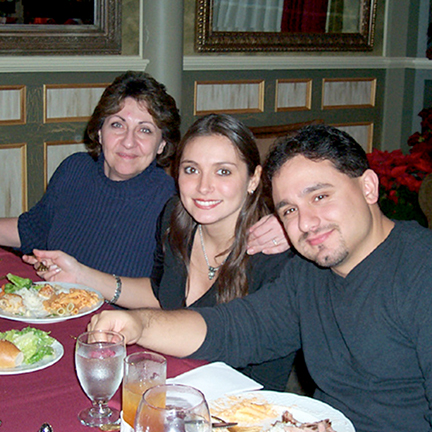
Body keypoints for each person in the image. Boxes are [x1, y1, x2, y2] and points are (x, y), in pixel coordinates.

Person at [88, 124, 432, 432]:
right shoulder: (308, 275)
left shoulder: (420, 272)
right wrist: (138, 324)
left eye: (321, 196)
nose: (307, 223)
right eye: (289, 210)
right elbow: (236, 328)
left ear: (368, 187)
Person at [30, 113, 293, 390]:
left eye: (223, 171)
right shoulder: (176, 219)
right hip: (167, 384)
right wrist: (81, 275)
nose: (204, 186)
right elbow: (160, 294)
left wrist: (142, 324)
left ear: (254, 179)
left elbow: (264, 377)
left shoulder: (275, 254)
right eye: (191, 169)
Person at [0, 71, 180, 278]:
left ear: (162, 144)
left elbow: (170, 296)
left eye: (145, 130)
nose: (128, 141)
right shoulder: (75, 169)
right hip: (59, 304)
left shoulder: (172, 202)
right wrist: (48, 270)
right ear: (100, 132)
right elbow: (34, 231)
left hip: (119, 311)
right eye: (117, 125)